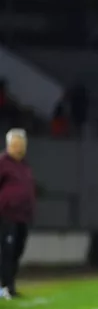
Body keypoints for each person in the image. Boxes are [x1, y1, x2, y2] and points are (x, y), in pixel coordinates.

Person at [0, 129, 35, 300]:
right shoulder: (2, 163)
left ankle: (10, 285)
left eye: (21, 145)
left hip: (23, 216)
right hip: (6, 215)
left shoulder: (24, 165)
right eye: (15, 145)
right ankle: (6, 286)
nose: (19, 149)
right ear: (8, 145)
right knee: (7, 251)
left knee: (17, 251)